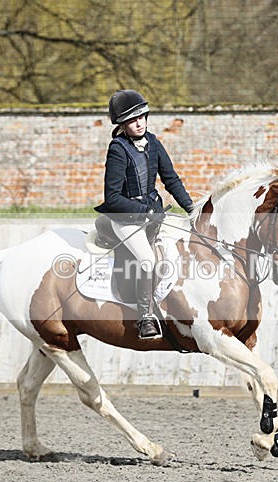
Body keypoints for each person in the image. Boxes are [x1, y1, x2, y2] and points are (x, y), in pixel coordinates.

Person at [95, 89, 194, 339]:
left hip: (154, 215)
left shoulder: (154, 142)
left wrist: (192, 209)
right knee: (148, 260)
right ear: (122, 124)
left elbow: (171, 179)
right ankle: (145, 317)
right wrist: (145, 210)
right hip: (126, 219)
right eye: (131, 120)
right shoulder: (118, 149)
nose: (139, 123)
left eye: (141, 117)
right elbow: (112, 197)